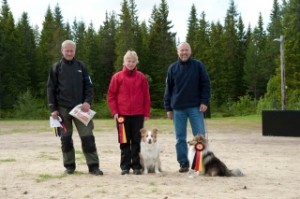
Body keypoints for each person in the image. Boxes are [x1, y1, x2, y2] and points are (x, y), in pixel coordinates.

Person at [47, 40, 103, 176]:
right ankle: (69, 166)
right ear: (62, 51)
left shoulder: (81, 66)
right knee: (65, 139)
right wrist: (53, 109)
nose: (69, 53)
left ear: (75, 51)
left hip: (80, 109)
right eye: (67, 50)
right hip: (62, 109)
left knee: (88, 137)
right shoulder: (56, 68)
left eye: (72, 50)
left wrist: (88, 102)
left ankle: (93, 166)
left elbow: (89, 86)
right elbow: (50, 89)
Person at [163, 42, 211, 173]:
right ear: (178, 52)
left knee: (200, 136)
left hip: (196, 107)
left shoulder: (198, 66)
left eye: (186, 50)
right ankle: (183, 163)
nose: (184, 52)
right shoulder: (172, 68)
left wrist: (204, 102)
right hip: (178, 109)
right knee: (180, 138)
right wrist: (168, 108)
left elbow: (206, 85)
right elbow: (168, 89)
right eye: (182, 50)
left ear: (190, 51)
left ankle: (201, 162)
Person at [107, 50, 151, 175]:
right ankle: (125, 166)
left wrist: (146, 112)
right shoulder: (117, 77)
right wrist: (115, 112)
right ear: (124, 62)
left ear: (136, 62)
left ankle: (136, 166)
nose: (131, 63)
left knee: (136, 141)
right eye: (128, 61)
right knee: (124, 141)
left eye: (133, 61)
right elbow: (111, 96)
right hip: (122, 116)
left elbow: (146, 96)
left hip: (138, 115)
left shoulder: (141, 77)